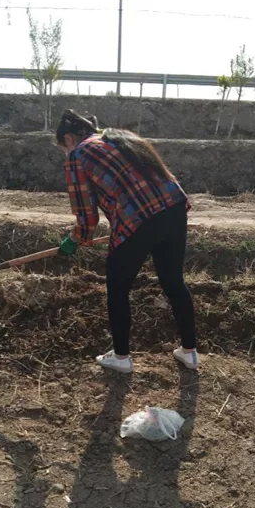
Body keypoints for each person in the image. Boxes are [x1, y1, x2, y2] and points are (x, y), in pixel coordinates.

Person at [56, 109, 199, 373]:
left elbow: (86, 214)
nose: (65, 153)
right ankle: (189, 352)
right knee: (173, 281)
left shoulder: (78, 154)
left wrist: (76, 239)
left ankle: (121, 357)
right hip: (173, 207)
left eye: (63, 148)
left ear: (68, 139)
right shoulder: (117, 138)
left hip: (138, 218)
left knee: (118, 286)